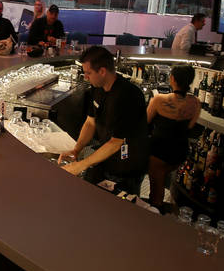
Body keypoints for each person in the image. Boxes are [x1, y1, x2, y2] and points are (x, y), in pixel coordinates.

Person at [58, 46, 149, 194]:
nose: (85, 77)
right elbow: (90, 122)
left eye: (88, 73)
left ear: (102, 71)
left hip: (127, 165)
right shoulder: (97, 88)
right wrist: (76, 150)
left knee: (121, 209)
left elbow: (116, 143)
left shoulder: (128, 96)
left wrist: (81, 165)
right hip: (106, 157)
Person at [145, 65, 201, 208]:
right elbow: (190, 126)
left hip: (159, 151)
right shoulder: (195, 103)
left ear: (173, 79)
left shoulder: (158, 99)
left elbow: (145, 122)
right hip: (179, 152)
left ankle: (154, 216)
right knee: (166, 182)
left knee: (156, 192)